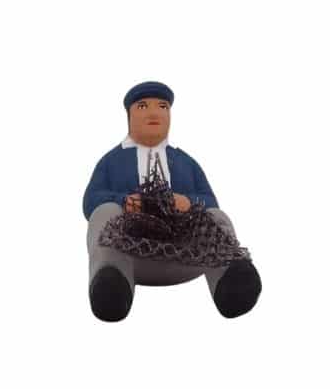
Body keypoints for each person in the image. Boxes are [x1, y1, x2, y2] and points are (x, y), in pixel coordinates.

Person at [83, 81, 262, 322]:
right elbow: (91, 201)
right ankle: (112, 283)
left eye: (163, 107)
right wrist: (124, 201)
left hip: (187, 254)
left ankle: (230, 278)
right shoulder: (111, 161)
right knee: (104, 211)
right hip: (129, 253)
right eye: (143, 106)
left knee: (217, 217)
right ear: (129, 115)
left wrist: (188, 202)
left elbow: (211, 201)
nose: (154, 113)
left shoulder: (186, 162)